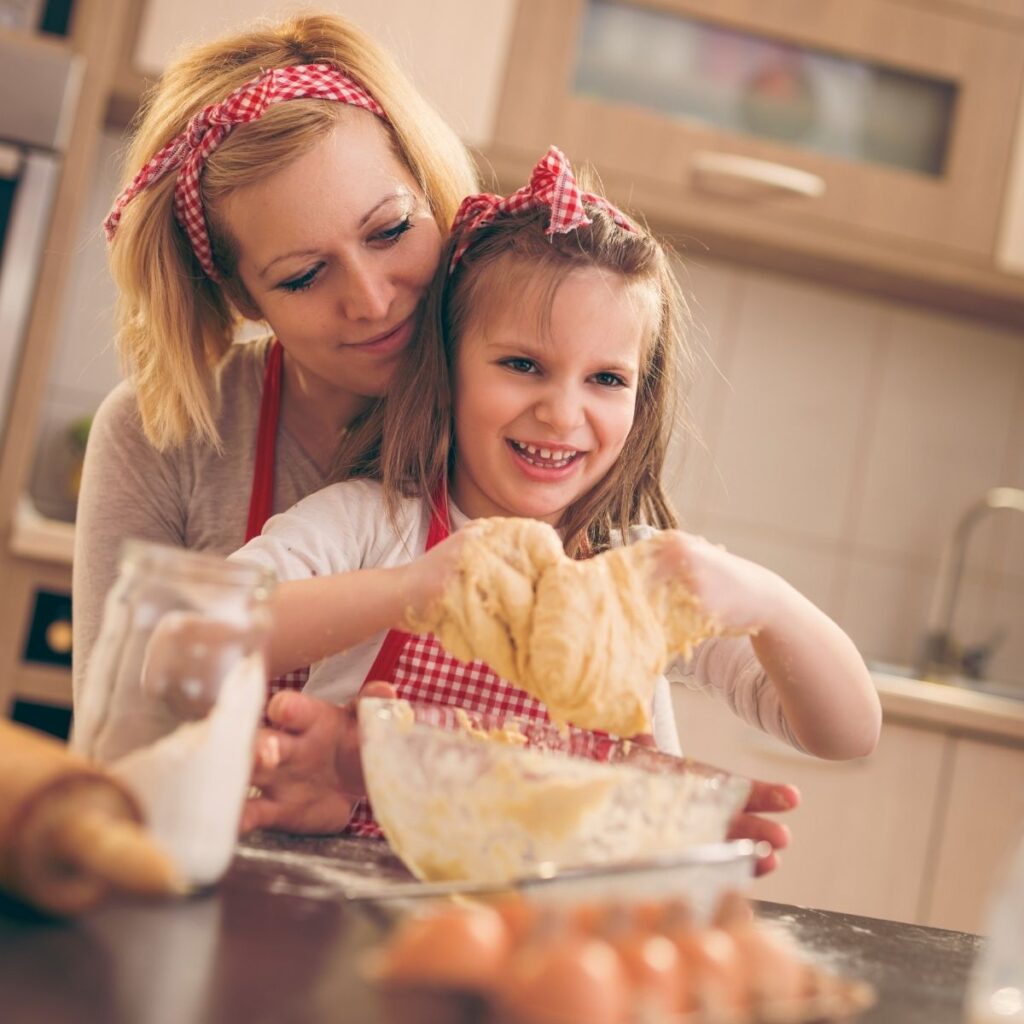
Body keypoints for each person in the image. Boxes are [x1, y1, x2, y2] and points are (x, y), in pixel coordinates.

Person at [78, 13, 797, 866]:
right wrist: (315, 766)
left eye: (389, 232)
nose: (374, 298)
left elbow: (682, 723)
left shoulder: (535, 433)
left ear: (430, 191)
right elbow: (120, 750)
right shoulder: (171, 434)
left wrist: (372, 767)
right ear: (239, 296)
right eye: (304, 276)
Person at [230, 148, 881, 847]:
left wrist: (764, 599)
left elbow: (847, 733)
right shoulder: (376, 523)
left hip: (560, 933)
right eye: (522, 366)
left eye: (606, 379)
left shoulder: (637, 581)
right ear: (447, 369)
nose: (562, 414)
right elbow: (205, 630)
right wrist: (413, 589)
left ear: (643, 396)